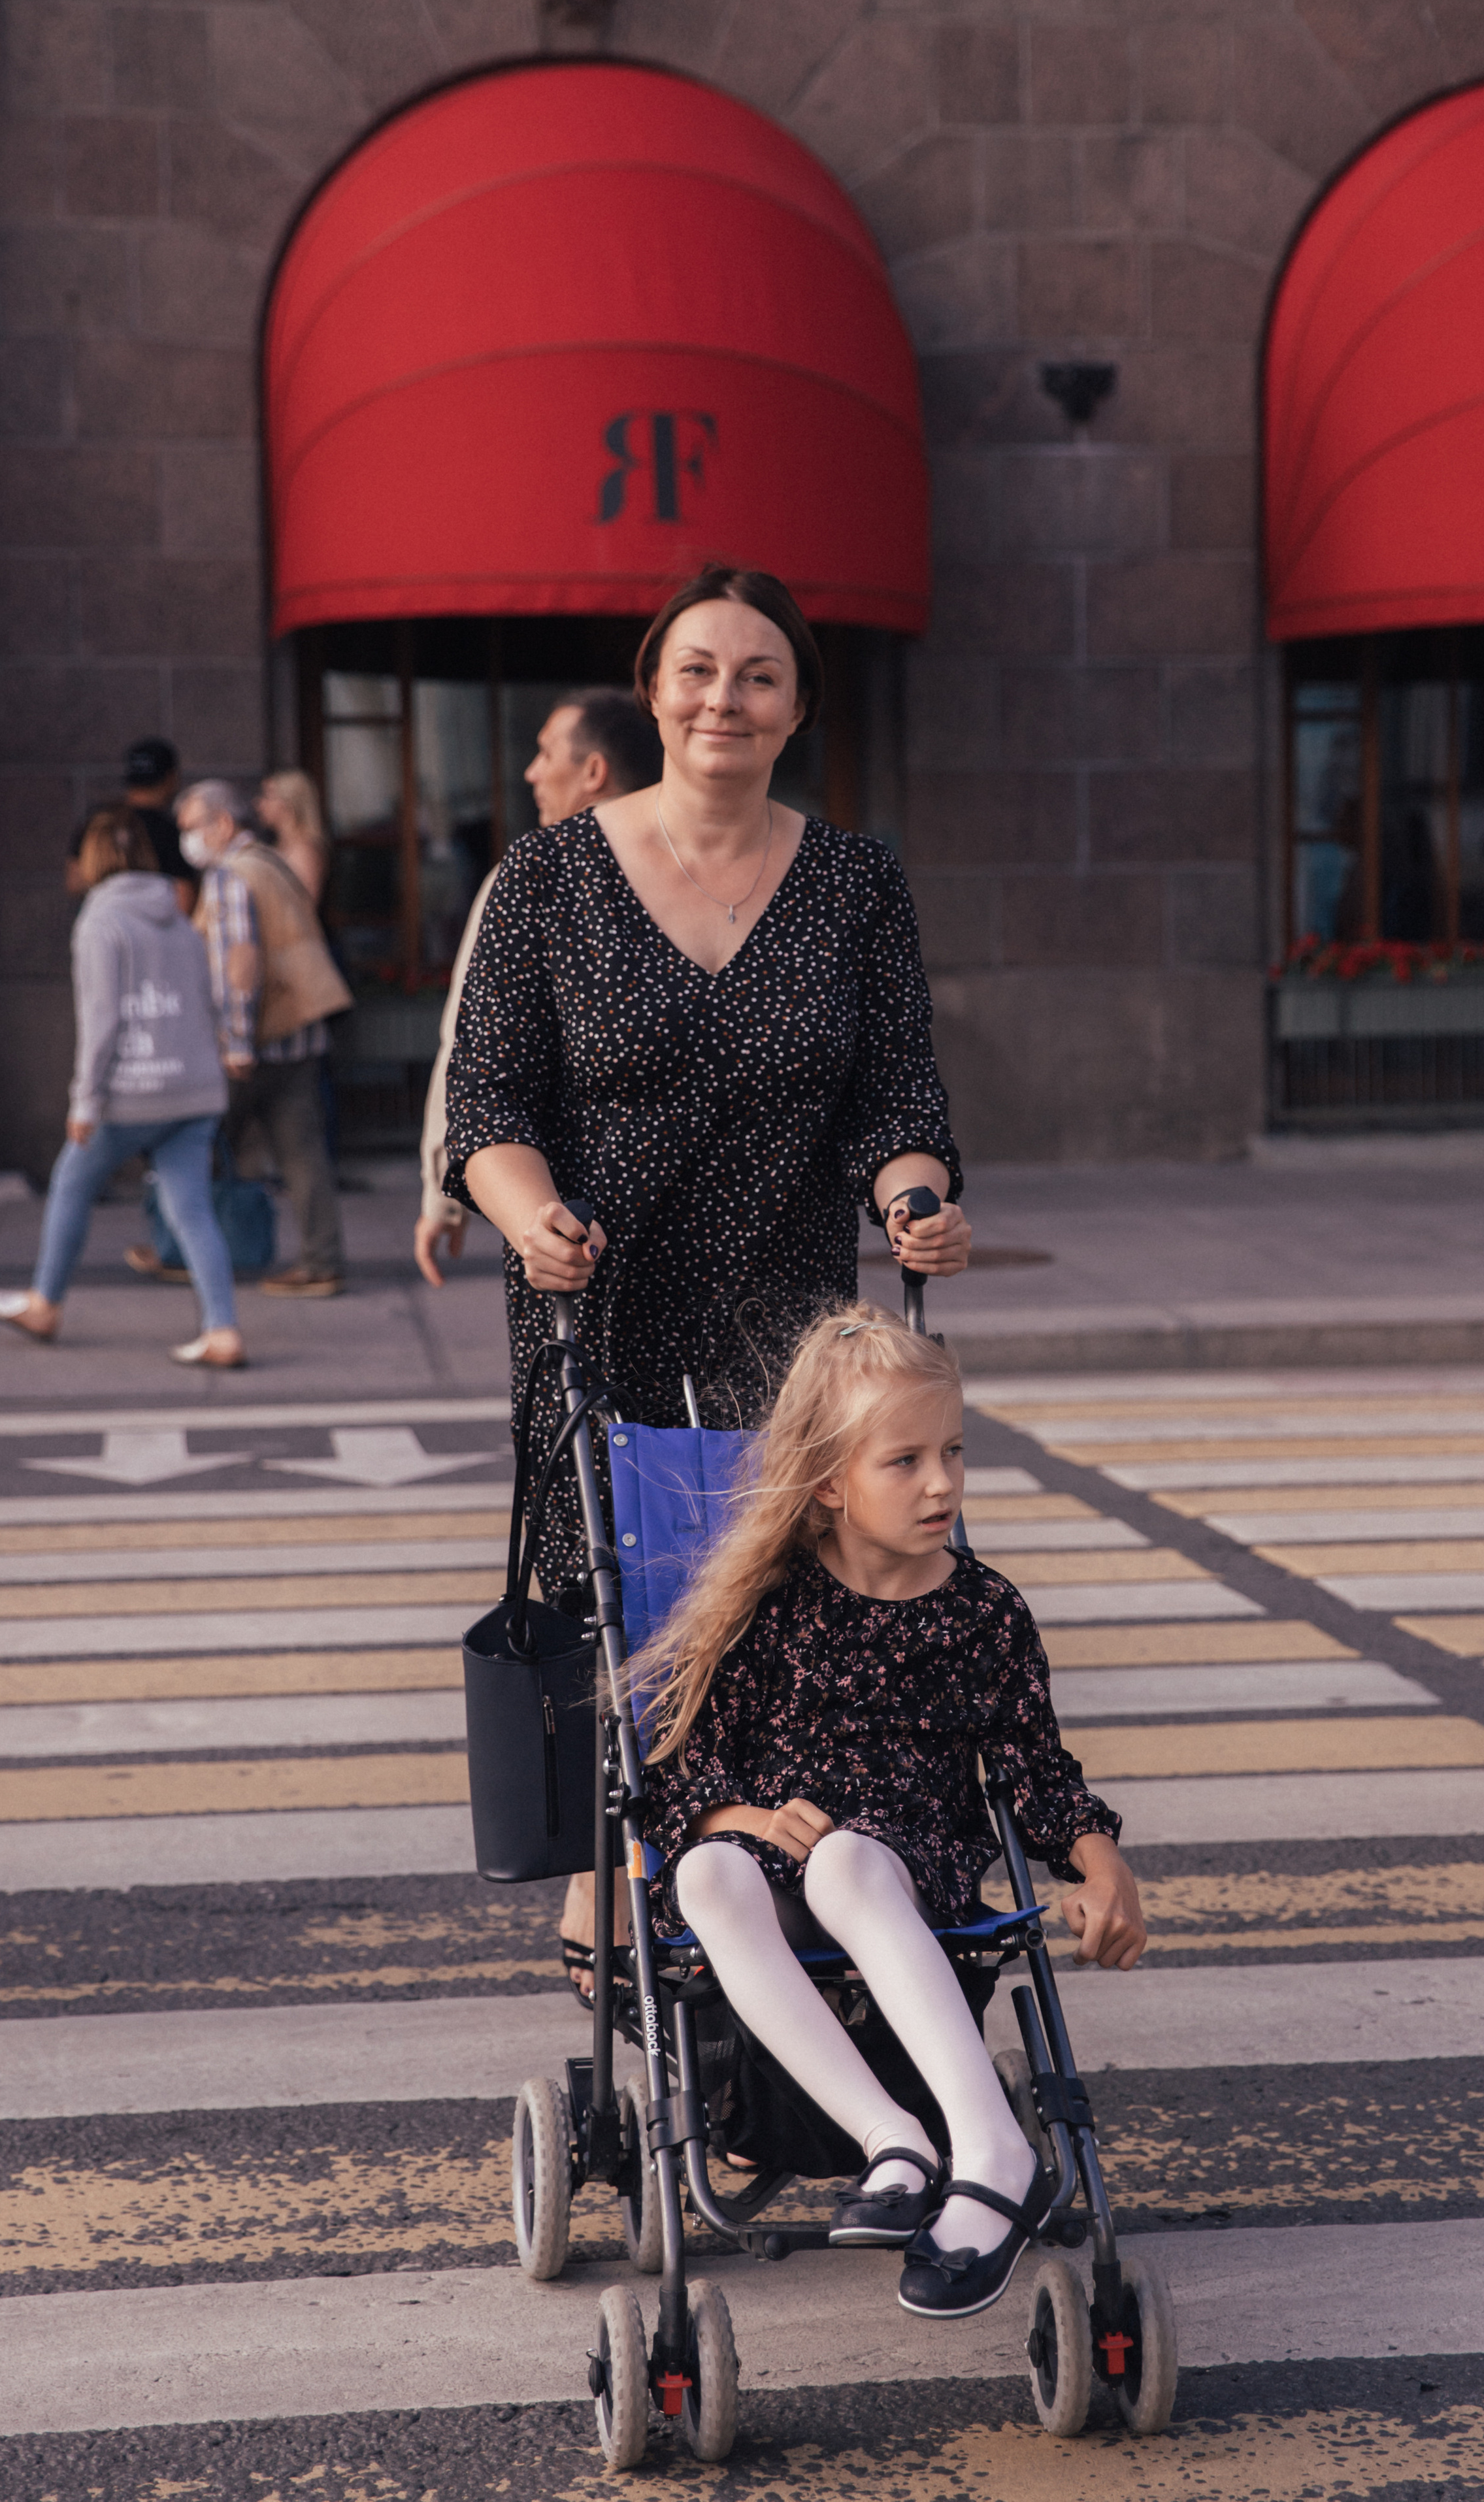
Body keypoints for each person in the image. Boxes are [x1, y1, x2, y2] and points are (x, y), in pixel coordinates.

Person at [444, 567, 970, 1994]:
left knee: (792, 1607)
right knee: (620, 1609)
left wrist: (914, 1199)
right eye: (693, 670)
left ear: (796, 706)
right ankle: (610, 1894)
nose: (720, 698)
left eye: (753, 675)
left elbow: (894, 1095)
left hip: (791, 1323)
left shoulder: (855, 884)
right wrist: (531, 1210)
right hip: (594, 1305)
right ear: (654, 687)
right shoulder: (546, 877)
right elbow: (486, 1104)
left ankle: (788, 1894)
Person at [640, 1306, 1146, 2320]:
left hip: (906, 1857)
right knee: (702, 1872)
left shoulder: (982, 1610)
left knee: (846, 1864)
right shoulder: (767, 1607)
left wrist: (1102, 1866)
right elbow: (678, 1780)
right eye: (905, 1461)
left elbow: (1035, 1770)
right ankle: (896, 2141)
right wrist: (734, 1815)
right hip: (772, 1852)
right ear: (828, 1483)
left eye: (954, 1452)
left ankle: (994, 2151)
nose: (943, 1484)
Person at [0, 805, 244, 1366]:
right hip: (193, 1090)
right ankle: (222, 1328)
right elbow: (206, 1004)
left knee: (72, 1183)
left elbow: (101, 1022)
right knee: (191, 1209)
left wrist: (85, 1101)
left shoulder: (100, 923)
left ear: (93, 861)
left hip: (130, 1093)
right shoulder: (178, 916)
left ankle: (46, 1303)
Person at [414, 689, 663, 1287]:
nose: (531, 771)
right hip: (564, 1232)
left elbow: (462, 1045)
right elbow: (481, 1063)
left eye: (546, 752)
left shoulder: (530, 878)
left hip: (573, 1227)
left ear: (593, 772)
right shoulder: (535, 875)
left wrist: (440, 1195)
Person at [176, 778, 354, 1299]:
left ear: (222, 824)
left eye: (191, 827)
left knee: (193, 1148)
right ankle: (323, 1261)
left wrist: (235, 1041)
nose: (187, 839)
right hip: (296, 1035)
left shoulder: (232, 876)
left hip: (253, 1044)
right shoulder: (270, 863)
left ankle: (185, 1252)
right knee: (303, 1154)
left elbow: (240, 964)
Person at [67, 738, 199, 914]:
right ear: (171, 778)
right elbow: (184, 894)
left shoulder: (99, 821)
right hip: (152, 932)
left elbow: (75, 881)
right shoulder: (170, 830)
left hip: (106, 920)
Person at [256, 770, 330, 904]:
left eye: (267, 796)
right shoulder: (281, 844)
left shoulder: (305, 851)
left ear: (287, 802)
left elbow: (304, 905)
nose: (260, 804)